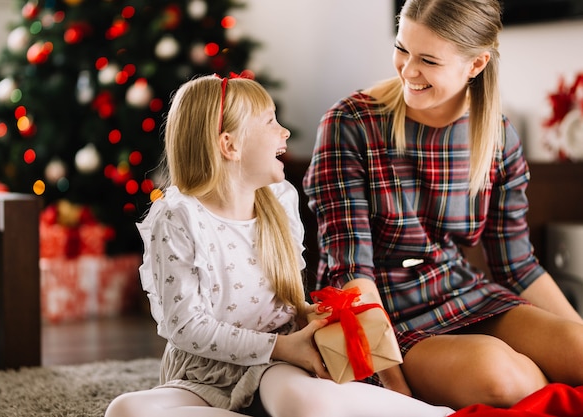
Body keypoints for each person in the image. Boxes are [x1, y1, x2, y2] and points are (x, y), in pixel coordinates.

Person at [104, 74, 454, 417]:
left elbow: (282, 303)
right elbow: (186, 327)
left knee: (305, 404)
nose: (284, 132)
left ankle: (435, 413)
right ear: (230, 145)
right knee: (124, 410)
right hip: (202, 374)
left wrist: (305, 315)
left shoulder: (279, 203)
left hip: (275, 364)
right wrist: (282, 345)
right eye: (270, 121)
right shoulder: (179, 218)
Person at [303, 0, 583, 411]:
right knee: (500, 376)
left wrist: (575, 336)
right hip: (382, 309)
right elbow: (350, 272)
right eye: (403, 49)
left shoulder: (497, 137)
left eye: (428, 60)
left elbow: (517, 266)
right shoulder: (351, 123)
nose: (407, 70)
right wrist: (392, 386)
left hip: (460, 290)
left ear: (475, 64)